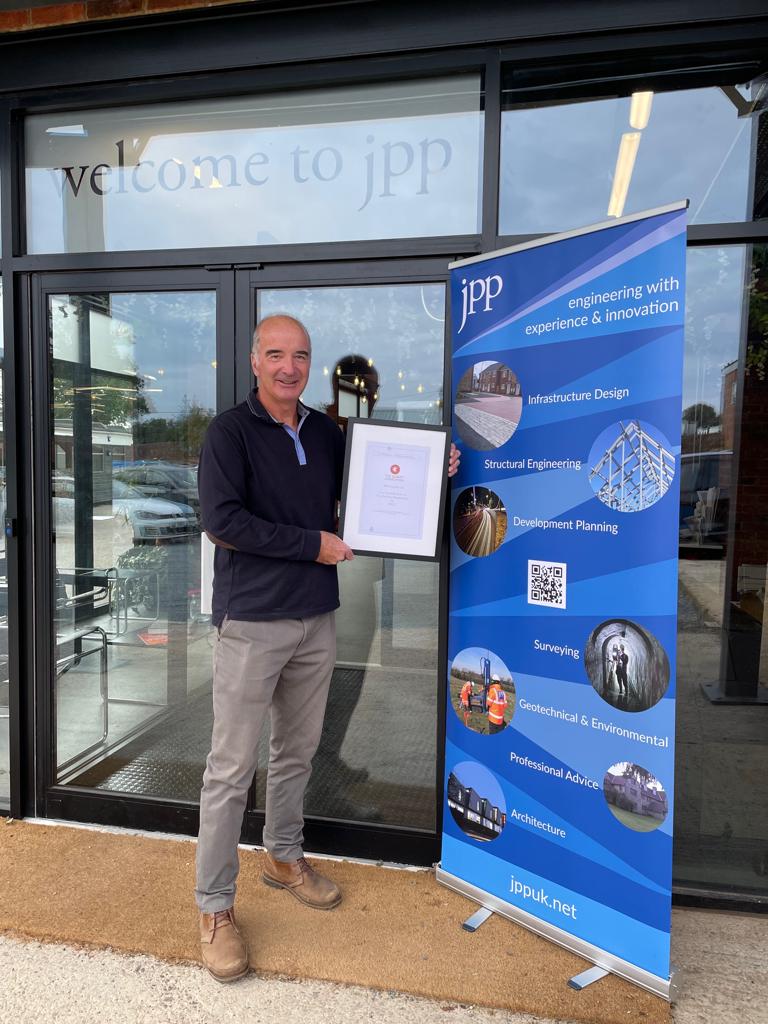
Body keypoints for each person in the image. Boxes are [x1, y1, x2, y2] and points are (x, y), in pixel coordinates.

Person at [194, 314, 459, 983]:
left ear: (309, 364)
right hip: (253, 621)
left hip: (316, 618)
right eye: (276, 354)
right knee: (231, 770)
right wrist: (312, 545)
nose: (289, 367)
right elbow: (223, 522)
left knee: (297, 753)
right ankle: (215, 908)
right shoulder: (229, 432)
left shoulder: (326, 433)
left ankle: (284, 858)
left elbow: (367, 496)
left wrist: (434, 472)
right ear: (255, 360)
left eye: (301, 356)